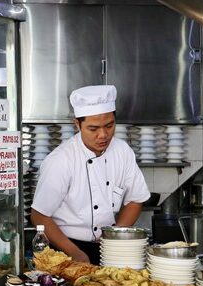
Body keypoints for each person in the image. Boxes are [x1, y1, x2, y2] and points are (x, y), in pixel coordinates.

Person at [31, 85, 151, 264]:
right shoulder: (61, 160)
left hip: (108, 247)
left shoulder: (122, 151)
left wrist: (115, 239)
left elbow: (136, 199)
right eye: (93, 129)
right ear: (77, 124)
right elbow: (39, 215)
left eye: (109, 126)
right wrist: (74, 252)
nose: (103, 135)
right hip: (66, 248)